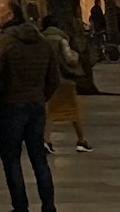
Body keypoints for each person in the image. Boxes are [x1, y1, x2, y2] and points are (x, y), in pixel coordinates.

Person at [0, 0, 57, 212]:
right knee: (38, 157)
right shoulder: (42, 41)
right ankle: (48, 205)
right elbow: (53, 78)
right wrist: (40, 95)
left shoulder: (3, 42)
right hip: (36, 104)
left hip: (10, 106)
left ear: (10, 15)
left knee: (12, 159)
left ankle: (20, 206)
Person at [37, 15, 91, 153]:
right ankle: (81, 140)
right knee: (73, 110)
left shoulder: (40, 39)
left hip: (47, 79)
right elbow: (70, 60)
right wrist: (76, 55)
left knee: (50, 111)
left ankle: (46, 140)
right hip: (64, 79)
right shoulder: (61, 40)